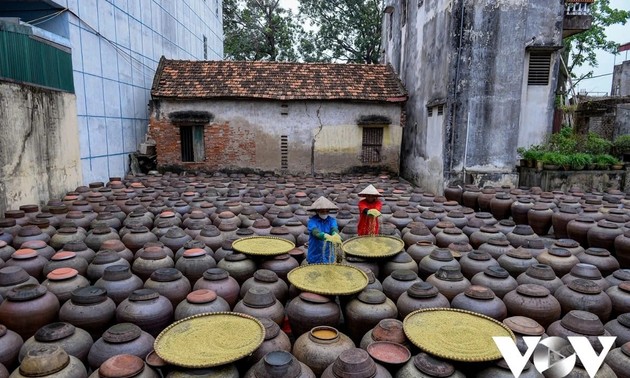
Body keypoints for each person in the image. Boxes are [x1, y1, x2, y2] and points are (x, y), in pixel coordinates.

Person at [306, 196, 343, 264]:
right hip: (315, 251)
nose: (325, 213)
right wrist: (324, 236)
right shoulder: (312, 221)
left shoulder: (332, 220)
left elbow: (334, 228)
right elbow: (315, 232)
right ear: (317, 211)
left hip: (328, 252)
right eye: (322, 211)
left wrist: (335, 234)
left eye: (327, 211)